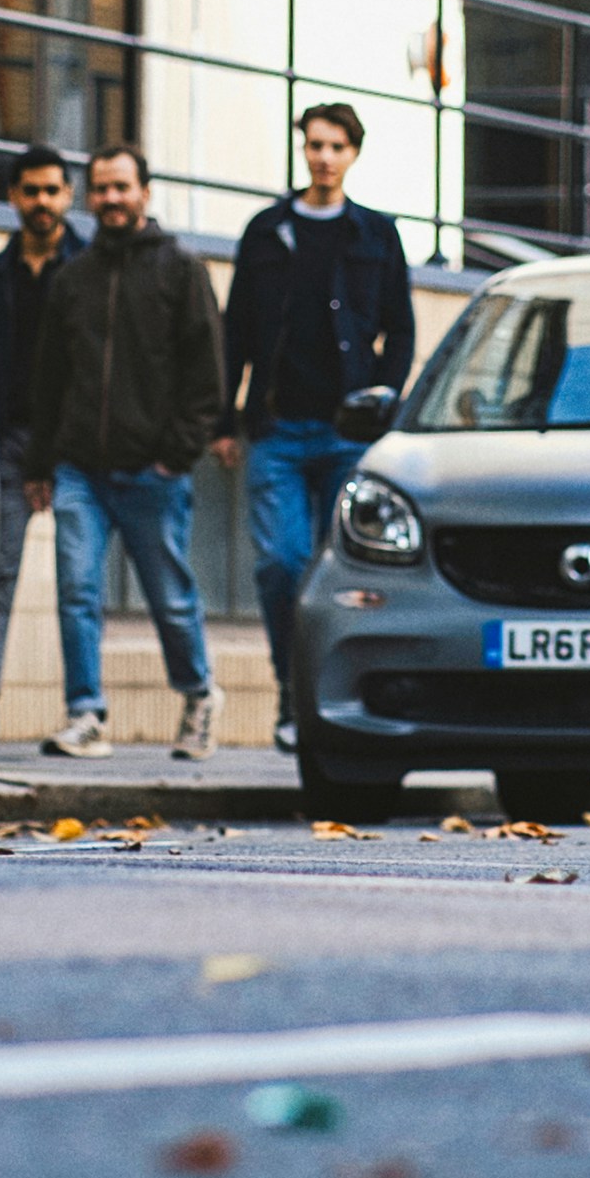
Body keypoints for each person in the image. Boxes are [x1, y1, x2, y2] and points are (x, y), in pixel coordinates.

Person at [16, 144, 226, 760]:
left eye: (121, 188)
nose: (110, 199)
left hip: (151, 472)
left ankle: (198, 694)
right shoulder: (72, 278)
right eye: (101, 189)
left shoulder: (181, 271)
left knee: (170, 597)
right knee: (76, 591)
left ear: (144, 193)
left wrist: (175, 455)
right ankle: (85, 714)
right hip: (80, 468)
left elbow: (206, 375)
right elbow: (49, 376)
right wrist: (40, 463)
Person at [223, 102, 418, 751]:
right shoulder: (266, 231)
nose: (323, 156)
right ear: (302, 149)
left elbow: (401, 328)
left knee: (342, 575)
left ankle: (337, 701)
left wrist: (385, 400)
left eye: (336, 146)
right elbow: (237, 331)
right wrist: (226, 417)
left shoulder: (376, 234)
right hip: (277, 429)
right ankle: (291, 696)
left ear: (353, 154)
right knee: (280, 566)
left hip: (348, 437)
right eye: (314, 145)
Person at [0, 145, 86, 745]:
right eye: (30, 191)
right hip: (9, 440)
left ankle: (89, 711)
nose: (42, 202)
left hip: (79, 444)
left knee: (80, 581)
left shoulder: (88, 273)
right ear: (13, 198)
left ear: (69, 196)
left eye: (52, 190)